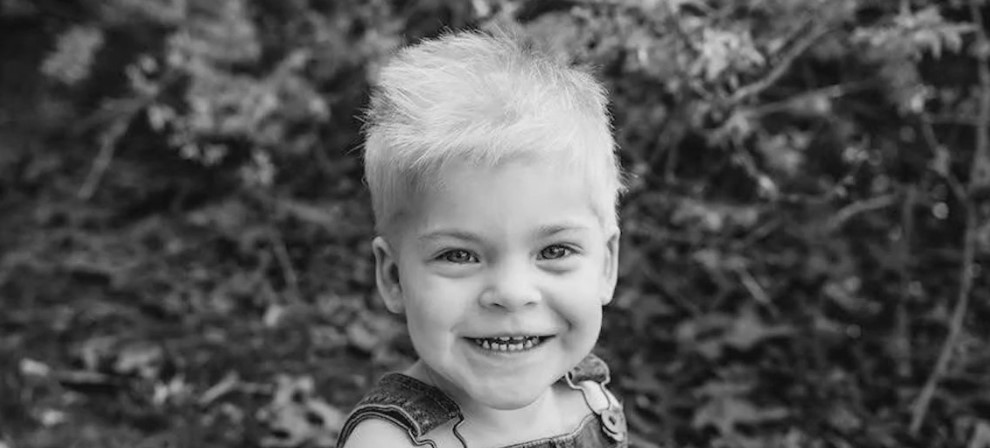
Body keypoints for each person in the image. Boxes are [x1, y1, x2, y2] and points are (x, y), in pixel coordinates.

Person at [336, 28, 628, 448]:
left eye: (554, 250)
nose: (512, 294)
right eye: (459, 255)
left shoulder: (591, 398)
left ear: (606, 265)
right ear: (394, 277)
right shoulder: (388, 443)